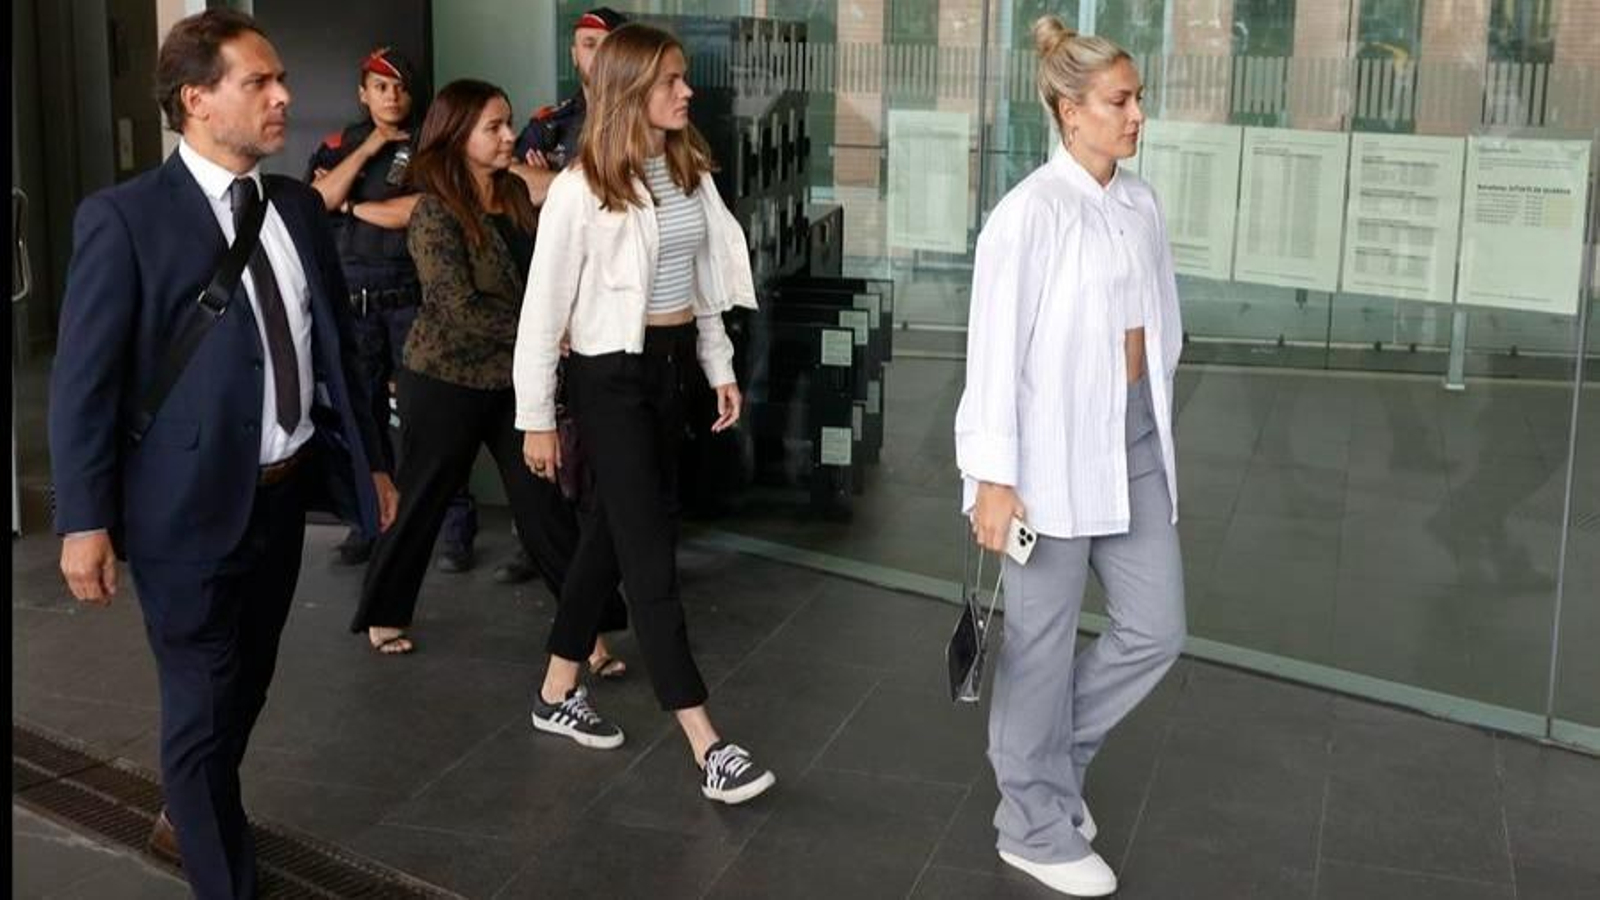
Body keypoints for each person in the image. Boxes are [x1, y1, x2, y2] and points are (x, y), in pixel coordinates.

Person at [48, 10, 397, 898]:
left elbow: (340, 354)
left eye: (280, 78)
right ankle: (220, 872)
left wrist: (375, 462)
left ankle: (190, 807)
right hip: (180, 508)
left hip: (281, 503)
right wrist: (84, 519)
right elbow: (83, 383)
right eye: (259, 82)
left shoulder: (292, 208)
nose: (283, 96)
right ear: (197, 100)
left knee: (245, 684)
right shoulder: (123, 220)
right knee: (201, 701)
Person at [954, 16, 1186, 898]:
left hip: (1130, 439)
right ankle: (1031, 821)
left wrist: (1145, 416)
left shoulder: (1140, 200)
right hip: (1045, 459)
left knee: (1156, 628)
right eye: (1119, 102)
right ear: (1068, 109)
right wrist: (993, 480)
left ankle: (1052, 766)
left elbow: (1162, 327)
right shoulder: (1028, 217)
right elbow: (993, 359)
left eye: (1137, 101)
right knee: (1041, 646)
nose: (1135, 117)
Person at [515, 23, 774, 805]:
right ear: (631, 89)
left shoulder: (684, 167)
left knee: (609, 532)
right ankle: (707, 743)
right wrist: (534, 416)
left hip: (667, 375)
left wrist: (717, 366)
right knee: (649, 549)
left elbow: (698, 281)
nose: (686, 91)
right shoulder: (580, 188)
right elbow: (542, 311)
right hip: (609, 378)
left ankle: (557, 690)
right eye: (670, 80)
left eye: (683, 77)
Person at [351, 79, 614, 657]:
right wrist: (546, 337)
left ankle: (585, 630)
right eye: (493, 126)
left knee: (542, 503)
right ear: (457, 134)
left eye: (509, 122)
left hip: (511, 381)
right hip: (443, 379)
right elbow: (456, 307)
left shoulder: (517, 199)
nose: (509, 135)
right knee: (422, 497)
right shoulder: (434, 212)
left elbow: (545, 278)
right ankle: (384, 612)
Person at [307, 46, 480, 573]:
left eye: (400, 86)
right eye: (379, 86)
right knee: (363, 420)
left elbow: (422, 211)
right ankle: (368, 522)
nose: (391, 95)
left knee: (431, 419)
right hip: (354, 303)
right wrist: (368, 152)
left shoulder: (435, 145)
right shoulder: (339, 143)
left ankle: (453, 530)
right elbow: (315, 202)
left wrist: (354, 205)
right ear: (363, 93)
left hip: (410, 299)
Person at [495, 4, 626, 587]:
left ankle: (611, 549)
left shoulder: (639, 121)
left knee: (604, 447)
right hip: (558, 296)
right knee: (555, 428)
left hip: (615, 303)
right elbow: (512, 187)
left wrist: (559, 182)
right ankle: (547, 547)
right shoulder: (551, 123)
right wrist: (568, 182)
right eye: (584, 45)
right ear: (574, 54)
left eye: (604, 45)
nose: (592, 56)